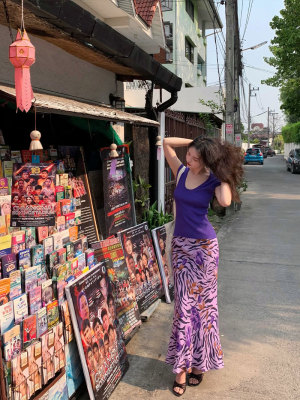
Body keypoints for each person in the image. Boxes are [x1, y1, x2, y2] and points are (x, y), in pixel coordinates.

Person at [163, 136, 243, 396]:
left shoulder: (213, 179)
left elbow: (225, 202)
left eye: (197, 158)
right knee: (184, 307)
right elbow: (165, 143)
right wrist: (199, 143)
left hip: (205, 250)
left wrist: (222, 174)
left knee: (205, 308)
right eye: (190, 155)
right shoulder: (182, 170)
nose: (190, 160)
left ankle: (200, 364)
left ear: (207, 160)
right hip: (181, 247)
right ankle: (182, 368)